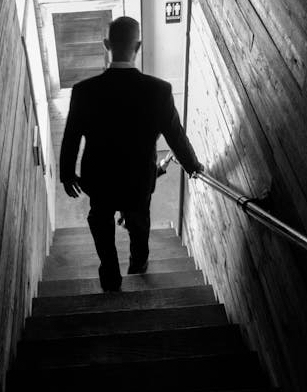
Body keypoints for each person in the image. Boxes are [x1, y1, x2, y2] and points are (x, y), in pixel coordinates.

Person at [59, 16, 204, 292]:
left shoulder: (84, 91)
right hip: (138, 183)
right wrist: (192, 165)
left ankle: (110, 277)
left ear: (106, 45)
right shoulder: (159, 91)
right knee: (139, 226)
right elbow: (176, 136)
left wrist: (67, 175)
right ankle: (138, 264)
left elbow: (71, 137)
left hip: (98, 182)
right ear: (138, 46)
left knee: (101, 226)